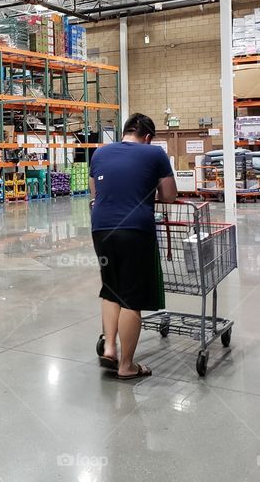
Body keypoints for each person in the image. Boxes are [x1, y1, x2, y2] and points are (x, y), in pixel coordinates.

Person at [89, 113, 177, 380]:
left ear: (124, 132)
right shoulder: (155, 154)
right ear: (148, 137)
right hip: (134, 230)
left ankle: (109, 347)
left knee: (111, 289)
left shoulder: (99, 153)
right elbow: (169, 196)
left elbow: (95, 193)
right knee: (131, 298)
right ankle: (126, 366)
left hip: (101, 228)